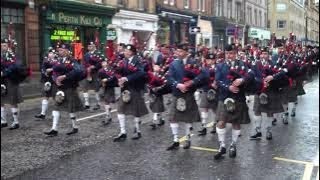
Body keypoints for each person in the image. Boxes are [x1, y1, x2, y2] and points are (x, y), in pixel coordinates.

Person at [213, 44, 256, 160]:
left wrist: (242, 79)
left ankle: (233, 144)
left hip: (238, 98)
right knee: (221, 122)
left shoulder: (243, 64)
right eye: (227, 53)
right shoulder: (220, 66)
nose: (229, 56)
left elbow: (251, 75)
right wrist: (228, 87)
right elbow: (218, 80)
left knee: (236, 123)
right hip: (224, 97)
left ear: (236, 53)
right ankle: (222, 146)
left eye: (231, 53)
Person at [166, 43, 209, 150]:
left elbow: (204, 75)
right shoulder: (174, 63)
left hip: (188, 93)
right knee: (172, 118)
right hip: (177, 92)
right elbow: (169, 77)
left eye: (180, 51)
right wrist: (177, 84)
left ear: (186, 52)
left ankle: (188, 139)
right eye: (177, 51)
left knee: (188, 119)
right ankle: (175, 140)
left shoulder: (194, 62)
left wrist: (192, 82)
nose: (178, 53)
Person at [44, 43, 85, 137]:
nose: (60, 52)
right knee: (56, 107)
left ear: (67, 51)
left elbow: (78, 70)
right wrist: (56, 80)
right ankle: (54, 129)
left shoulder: (72, 60)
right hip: (60, 88)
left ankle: (75, 127)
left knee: (70, 109)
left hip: (70, 87)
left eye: (62, 50)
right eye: (59, 50)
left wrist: (64, 76)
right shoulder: (58, 60)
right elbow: (54, 72)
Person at [113, 44, 149, 142]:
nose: (125, 52)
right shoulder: (123, 61)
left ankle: (137, 130)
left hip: (135, 88)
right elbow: (118, 72)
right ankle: (123, 132)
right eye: (125, 51)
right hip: (125, 89)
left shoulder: (138, 60)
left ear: (132, 52)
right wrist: (119, 80)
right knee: (120, 110)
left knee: (135, 111)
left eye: (128, 51)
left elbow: (141, 73)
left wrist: (127, 78)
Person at [1, 38, 29, 130]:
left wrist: (4, 72)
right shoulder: (1, 55)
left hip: (11, 80)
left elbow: (16, 65)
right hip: (2, 81)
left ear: (8, 46)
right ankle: (3, 121)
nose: (2, 47)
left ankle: (16, 122)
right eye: (1, 46)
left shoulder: (13, 55)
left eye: (4, 45)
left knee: (13, 101)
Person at [34, 47, 59, 120]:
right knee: (46, 96)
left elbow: (59, 68)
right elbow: (42, 69)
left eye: (52, 53)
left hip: (54, 81)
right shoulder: (45, 61)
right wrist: (45, 72)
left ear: (55, 55)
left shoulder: (57, 61)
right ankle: (43, 114)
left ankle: (56, 113)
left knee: (55, 97)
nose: (50, 55)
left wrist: (51, 69)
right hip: (47, 81)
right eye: (50, 53)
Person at [197, 53, 218, 135]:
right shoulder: (203, 69)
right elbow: (201, 79)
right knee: (204, 109)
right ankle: (204, 126)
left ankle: (215, 125)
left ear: (215, 60)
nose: (211, 61)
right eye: (209, 60)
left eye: (212, 60)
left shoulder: (218, 68)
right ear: (206, 60)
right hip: (206, 90)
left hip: (215, 91)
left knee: (214, 110)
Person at [82, 42, 106, 110]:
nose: (89, 47)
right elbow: (83, 63)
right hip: (87, 73)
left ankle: (98, 103)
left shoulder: (99, 54)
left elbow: (102, 62)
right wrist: (85, 68)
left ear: (94, 46)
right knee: (85, 87)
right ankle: (86, 103)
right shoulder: (86, 54)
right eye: (89, 46)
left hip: (96, 73)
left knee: (96, 88)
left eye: (91, 46)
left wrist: (94, 66)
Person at [97, 60, 118, 126]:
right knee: (106, 101)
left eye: (105, 62)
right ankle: (108, 116)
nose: (104, 64)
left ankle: (108, 116)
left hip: (111, 87)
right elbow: (99, 79)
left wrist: (107, 80)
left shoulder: (111, 69)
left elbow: (113, 76)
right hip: (104, 88)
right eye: (102, 63)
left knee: (108, 101)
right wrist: (102, 83)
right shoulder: (100, 71)